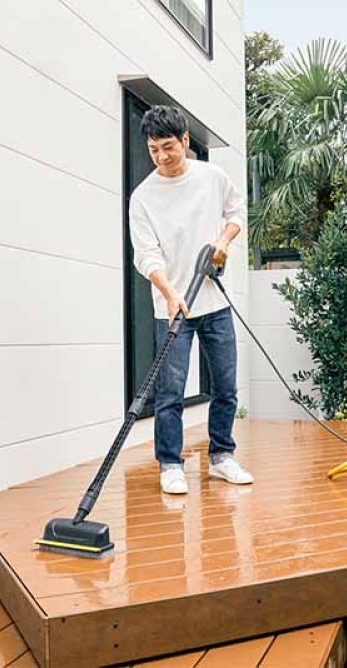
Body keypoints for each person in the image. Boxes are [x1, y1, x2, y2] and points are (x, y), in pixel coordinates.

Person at [129, 105, 254, 495]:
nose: (162, 157)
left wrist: (224, 241)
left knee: (225, 386)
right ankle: (170, 464)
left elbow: (236, 211)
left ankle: (222, 457)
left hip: (214, 302)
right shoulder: (143, 197)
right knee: (170, 392)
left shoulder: (211, 177)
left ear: (185, 141)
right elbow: (145, 254)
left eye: (168, 147)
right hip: (172, 308)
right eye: (153, 149)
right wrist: (168, 294)